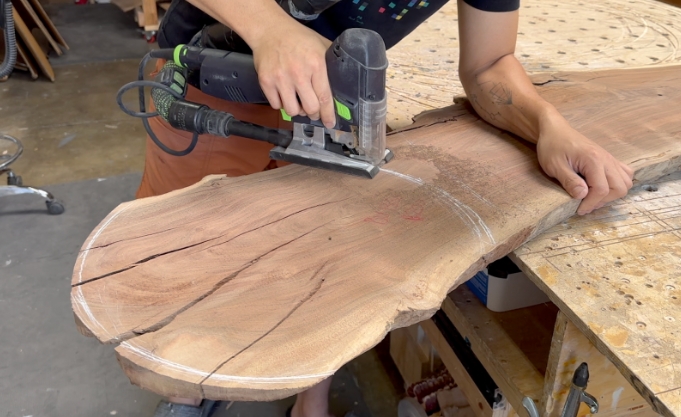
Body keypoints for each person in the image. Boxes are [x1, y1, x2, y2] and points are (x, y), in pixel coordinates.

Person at [142, 0, 635, 416]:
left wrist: (547, 123)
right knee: (196, 272)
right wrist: (270, 27)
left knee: (323, 256)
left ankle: (309, 403)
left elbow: (489, 64)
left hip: (328, 92)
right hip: (215, 74)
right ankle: (187, 392)